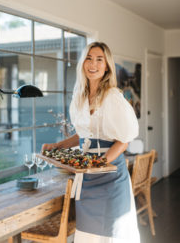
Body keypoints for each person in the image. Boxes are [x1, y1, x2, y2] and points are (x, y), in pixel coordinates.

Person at [42, 42, 140, 243]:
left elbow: (124, 140)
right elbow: (83, 134)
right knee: (88, 236)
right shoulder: (79, 97)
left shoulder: (113, 97)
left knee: (113, 234)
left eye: (99, 59)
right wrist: (57, 146)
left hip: (111, 177)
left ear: (107, 67)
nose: (93, 64)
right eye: (89, 58)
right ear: (82, 63)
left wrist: (101, 163)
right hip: (87, 178)